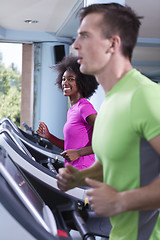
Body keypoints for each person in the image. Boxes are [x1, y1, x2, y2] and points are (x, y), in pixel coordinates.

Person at [57, 3, 160, 240]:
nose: (75, 45)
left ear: (112, 44)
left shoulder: (145, 96)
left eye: (85, 35)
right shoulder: (112, 101)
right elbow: (111, 163)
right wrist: (79, 178)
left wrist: (121, 200)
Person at [36, 55, 98, 170]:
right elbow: (70, 147)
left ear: (82, 82)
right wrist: (49, 136)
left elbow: (105, 137)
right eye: (64, 79)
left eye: (70, 79)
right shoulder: (72, 109)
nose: (65, 83)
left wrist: (79, 153)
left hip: (83, 172)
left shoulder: (84, 107)